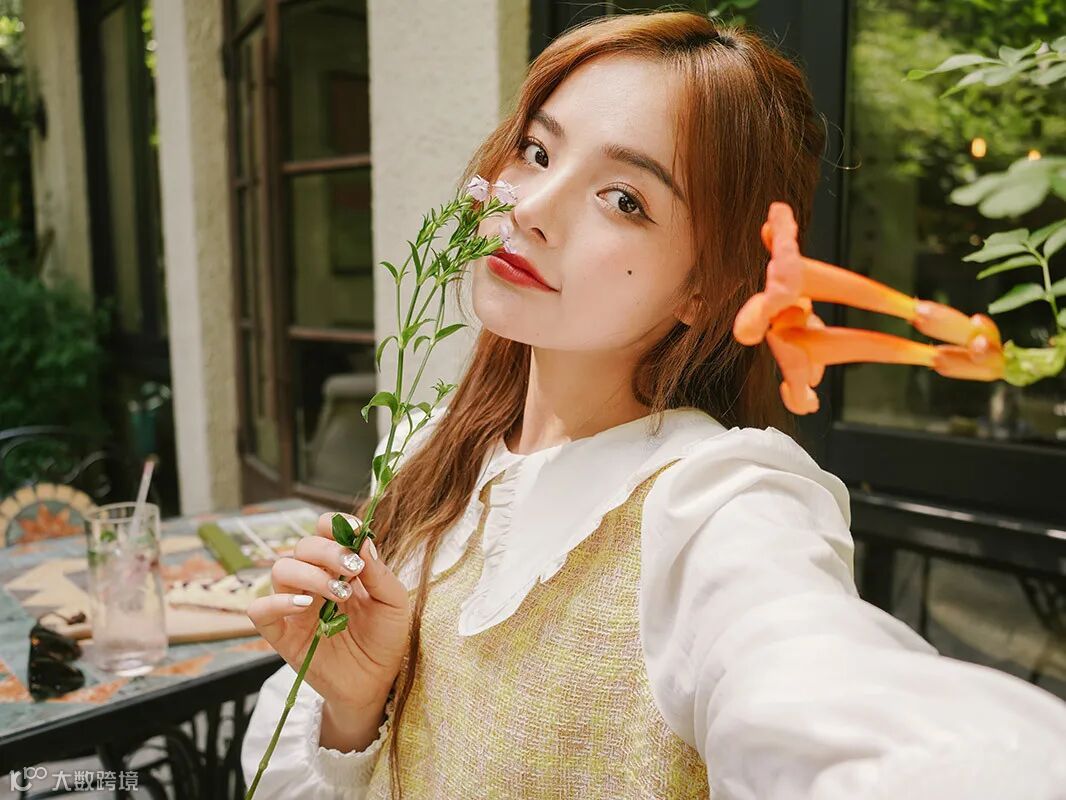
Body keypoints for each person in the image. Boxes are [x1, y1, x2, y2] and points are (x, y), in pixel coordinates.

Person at [240, 11, 1066, 800]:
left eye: (625, 199)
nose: (529, 209)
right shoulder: (431, 445)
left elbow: (821, 683)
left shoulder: (715, 507)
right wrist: (354, 707)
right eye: (537, 151)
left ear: (705, 289)